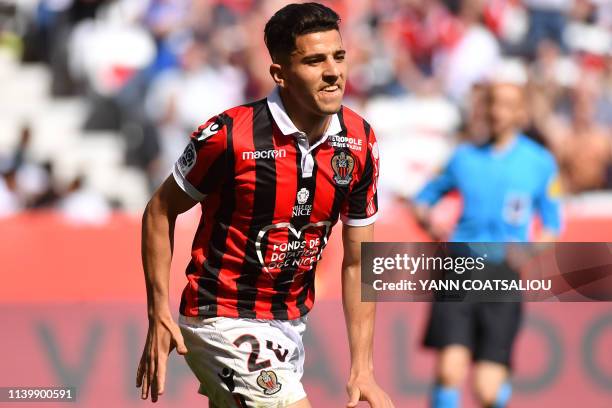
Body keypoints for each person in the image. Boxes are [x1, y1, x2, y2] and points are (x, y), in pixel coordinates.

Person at [136, 3, 393, 408]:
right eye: (314, 61)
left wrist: (363, 368)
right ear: (280, 74)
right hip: (219, 315)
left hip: (290, 324)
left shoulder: (360, 141)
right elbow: (159, 210)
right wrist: (158, 312)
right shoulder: (230, 135)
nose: (333, 72)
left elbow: (359, 261)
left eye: (338, 56)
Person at [412, 68, 561, 408]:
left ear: (521, 112)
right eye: (493, 103)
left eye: (507, 104)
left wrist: (530, 250)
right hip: (460, 271)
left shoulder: (539, 163)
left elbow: (552, 222)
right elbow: (423, 198)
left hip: (502, 275)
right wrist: (430, 222)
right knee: (450, 370)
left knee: (487, 390)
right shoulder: (464, 157)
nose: (498, 111)